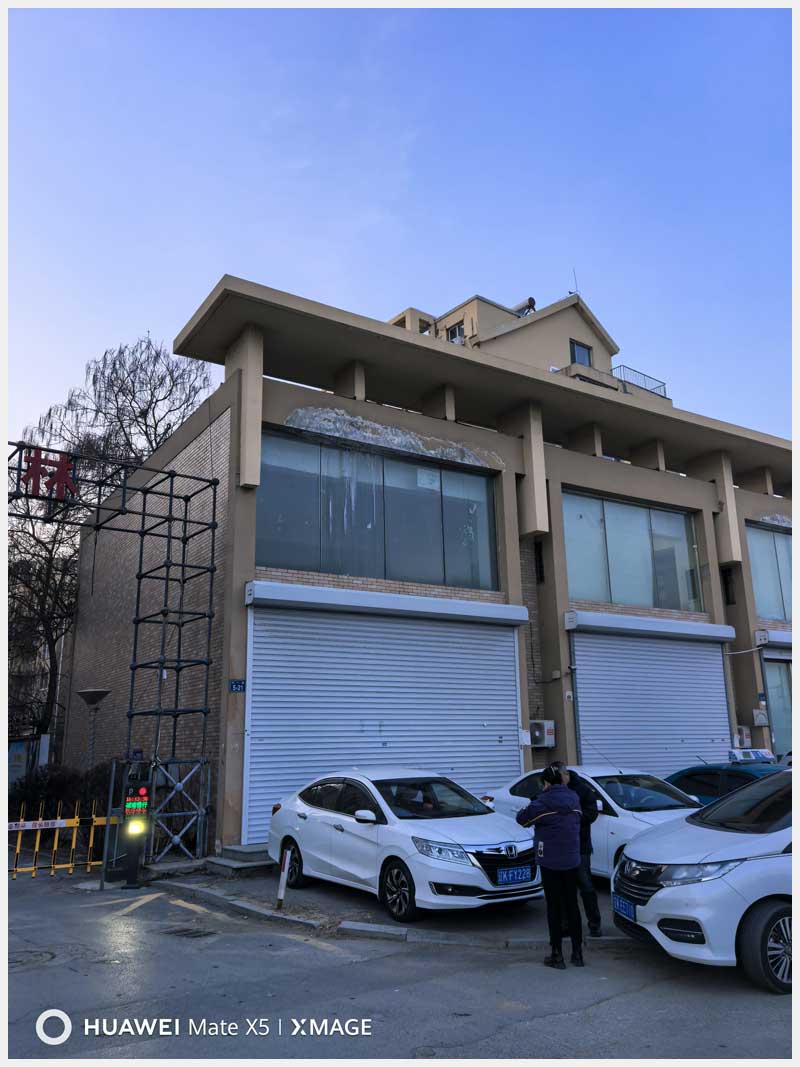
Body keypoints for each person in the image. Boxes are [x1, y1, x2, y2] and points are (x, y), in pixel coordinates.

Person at [516, 763, 584, 969]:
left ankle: (557, 954)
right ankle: (577, 953)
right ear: (561, 779)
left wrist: (538, 797)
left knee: (553, 906)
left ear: (546, 782)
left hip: (550, 860)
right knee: (572, 904)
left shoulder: (542, 802)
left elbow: (522, 819)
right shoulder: (574, 798)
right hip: (571, 858)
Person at [553, 761, 602, 937]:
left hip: (580, 845)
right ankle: (566, 925)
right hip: (560, 846)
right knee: (565, 889)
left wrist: (571, 819)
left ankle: (594, 924)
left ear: (565, 775)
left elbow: (592, 813)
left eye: (557, 776)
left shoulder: (582, 790)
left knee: (586, 885)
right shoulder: (552, 790)